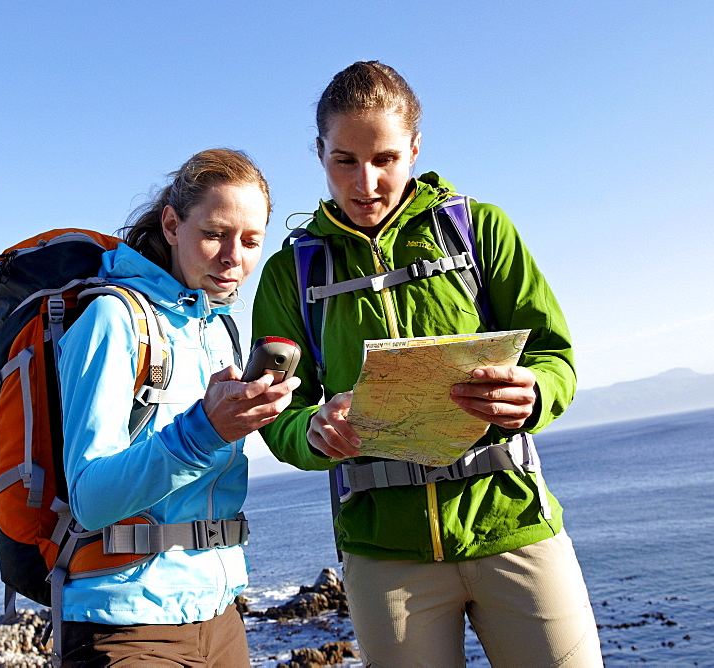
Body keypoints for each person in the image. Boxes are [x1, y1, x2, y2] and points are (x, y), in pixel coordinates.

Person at [251, 62, 602, 666]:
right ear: (319, 153)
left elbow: (555, 357)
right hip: (383, 554)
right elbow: (275, 410)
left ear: (414, 148)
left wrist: (535, 392)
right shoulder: (292, 272)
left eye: (385, 158)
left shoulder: (480, 231)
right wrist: (311, 431)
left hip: (513, 525)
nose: (366, 182)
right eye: (344, 160)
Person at [56, 148, 300, 666]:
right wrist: (203, 432)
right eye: (214, 234)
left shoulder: (218, 328)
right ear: (171, 224)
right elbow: (90, 498)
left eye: (251, 240)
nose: (234, 257)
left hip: (222, 615)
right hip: (125, 625)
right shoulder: (113, 320)